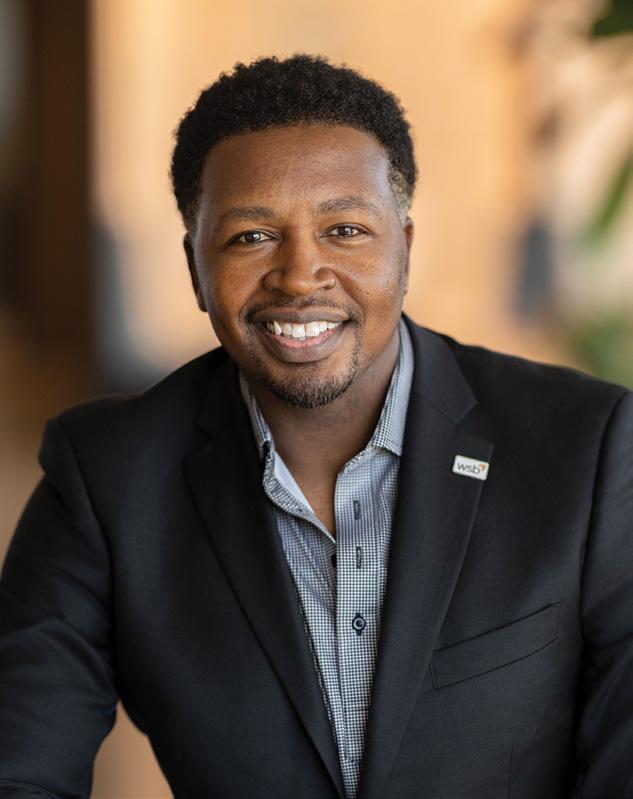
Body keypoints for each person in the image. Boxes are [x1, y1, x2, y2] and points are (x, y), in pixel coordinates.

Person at [1, 54, 632, 799]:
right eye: (250, 237)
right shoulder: (106, 480)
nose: (301, 276)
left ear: (404, 247)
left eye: (345, 229)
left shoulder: (586, 448)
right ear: (194, 267)